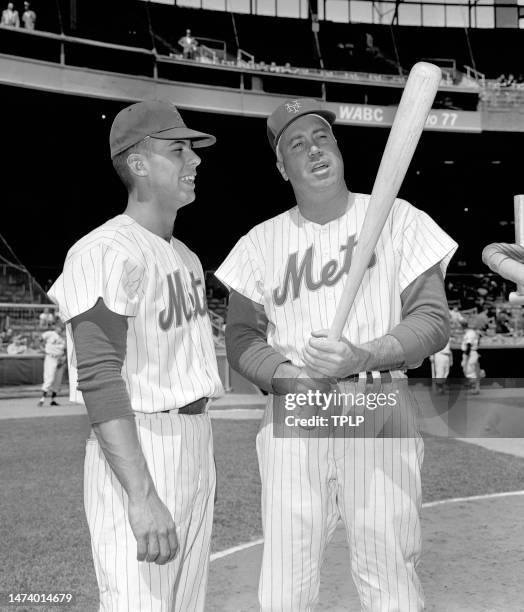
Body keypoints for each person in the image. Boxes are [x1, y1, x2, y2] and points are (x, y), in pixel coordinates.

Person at [215, 98, 457, 611]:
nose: (314, 150)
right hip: (297, 407)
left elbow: (432, 322)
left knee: (389, 568)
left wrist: (361, 355)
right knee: (286, 576)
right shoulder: (259, 242)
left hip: (377, 402)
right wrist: (286, 376)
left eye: (322, 138)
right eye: (297, 145)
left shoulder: (398, 218)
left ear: (339, 149)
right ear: (282, 167)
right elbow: (241, 339)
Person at [48, 100, 223, 611]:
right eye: (178, 149)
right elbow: (101, 377)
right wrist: (142, 495)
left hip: (192, 442)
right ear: (139, 164)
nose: (194, 160)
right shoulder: (104, 249)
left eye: (191, 149)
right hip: (142, 445)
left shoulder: (186, 256)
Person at [37, 322, 66, 406]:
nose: (61, 328)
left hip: (60, 359)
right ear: (56, 327)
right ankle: (42, 399)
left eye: (62, 327)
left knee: (58, 380)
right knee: (49, 378)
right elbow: (39, 338)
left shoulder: (63, 337)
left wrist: (64, 358)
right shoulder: (50, 333)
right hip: (51, 358)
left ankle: (53, 400)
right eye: (60, 327)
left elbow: (65, 350)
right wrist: (41, 348)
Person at [461, 319, 482, 394]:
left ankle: (474, 388)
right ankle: (476, 388)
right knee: (472, 371)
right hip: (472, 353)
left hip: (470, 353)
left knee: (469, 371)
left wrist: (466, 357)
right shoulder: (472, 332)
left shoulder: (470, 333)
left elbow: (469, 345)